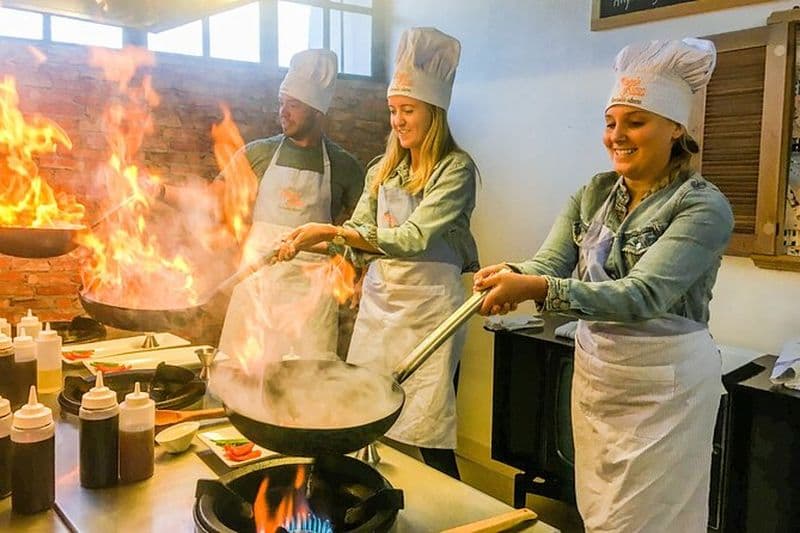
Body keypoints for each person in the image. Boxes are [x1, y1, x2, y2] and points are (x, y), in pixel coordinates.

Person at [474, 39, 733, 531]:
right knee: (599, 512)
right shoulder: (593, 192)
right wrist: (511, 273)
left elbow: (643, 296)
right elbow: (549, 261)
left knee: (649, 521)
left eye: (635, 122)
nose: (617, 135)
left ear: (676, 127)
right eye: (610, 122)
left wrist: (534, 289)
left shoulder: (702, 206)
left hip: (666, 384)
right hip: (600, 373)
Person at [278, 27, 479, 479]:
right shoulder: (382, 168)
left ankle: (458, 515)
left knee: (426, 432)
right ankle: (365, 497)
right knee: (364, 419)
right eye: (393, 110)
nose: (398, 121)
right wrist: (315, 242)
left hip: (430, 315)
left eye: (408, 110)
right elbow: (358, 233)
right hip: (381, 308)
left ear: (434, 113)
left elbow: (412, 239)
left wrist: (334, 233)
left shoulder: (456, 170)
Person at [192, 49, 365, 364]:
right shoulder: (258, 154)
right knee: (242, 376)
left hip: (311, 295)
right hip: (258, 285)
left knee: (309, 381)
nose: (283, 112)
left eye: (293, 105)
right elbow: (209, 200)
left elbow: (364, 234)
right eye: (281, 103)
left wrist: (360, 274)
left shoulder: (345, 166)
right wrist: (159, 193)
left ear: (316, 110)